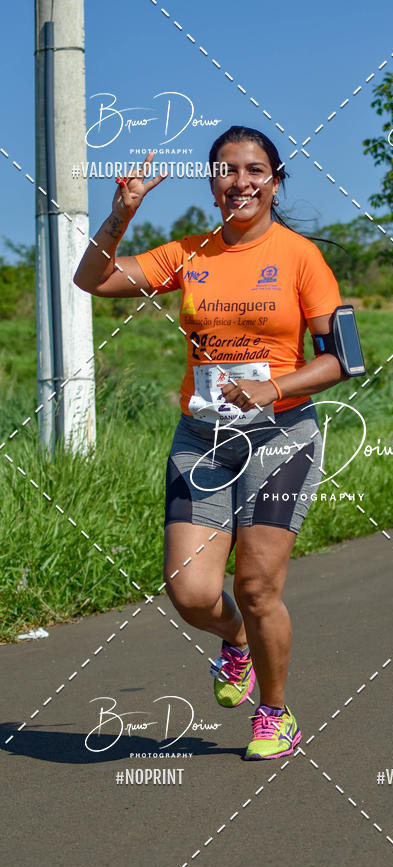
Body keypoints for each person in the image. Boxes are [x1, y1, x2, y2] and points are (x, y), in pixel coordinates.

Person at [74, 125, 349, 760]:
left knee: (257, 590)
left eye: (255, 170)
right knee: (192, 592)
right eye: (226, 170)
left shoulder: (302, 257)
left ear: (276, 182)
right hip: (203, 436)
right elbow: (96, 280)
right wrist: (121, 215)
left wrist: (274, 388)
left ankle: (275, 714)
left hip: (280, 435)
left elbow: (340, 361)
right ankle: (235, 644)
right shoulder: (189, 253)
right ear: (211, 183)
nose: (240, 182)